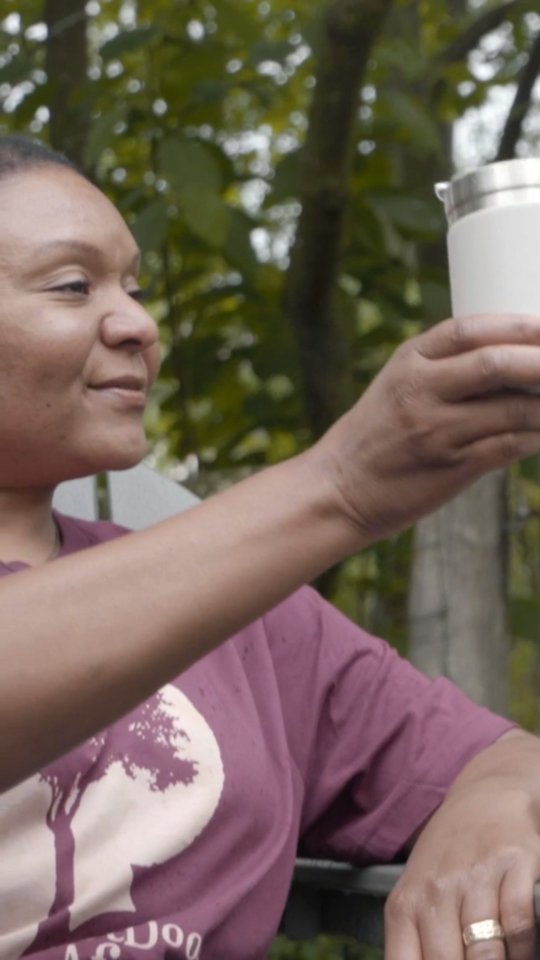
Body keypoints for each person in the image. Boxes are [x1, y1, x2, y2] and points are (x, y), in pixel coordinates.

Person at [1, 133, 540, 960]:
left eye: (135, 288)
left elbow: (488, 753)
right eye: (74, 286)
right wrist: (339, 484)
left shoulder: (242, 612)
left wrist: (491, 812)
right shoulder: (236, 570)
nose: (139, 324)